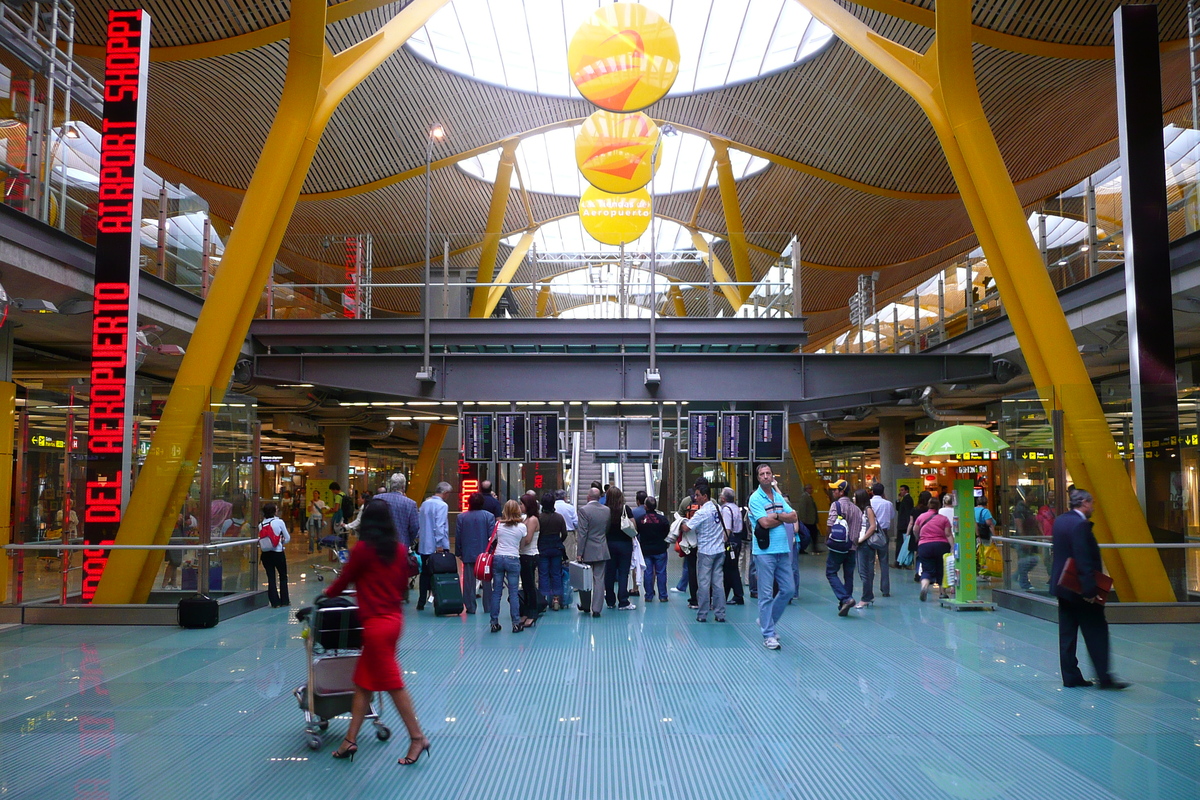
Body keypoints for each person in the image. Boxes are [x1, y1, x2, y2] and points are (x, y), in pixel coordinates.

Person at [323, 498, 431, 766]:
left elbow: (345, 579)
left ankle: (417, 737)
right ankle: (350, 739)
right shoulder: (398, 549)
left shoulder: (362, 550)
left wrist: (326, 596)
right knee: (363, 683)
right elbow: (401, 585)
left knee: (393, 683)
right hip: (393, 621)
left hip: (375, 626)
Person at [1049, 488, 1129, 690]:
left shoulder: (1060, 521)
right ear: (1084, 503)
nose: (1092, 507)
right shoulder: (1080, 525)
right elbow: (1083, 559)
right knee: (1097, 631)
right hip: (1080, 589)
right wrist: (1090, 592)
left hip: (1062, 586)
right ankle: (1104, 677)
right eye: (1091, 503)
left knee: (1067, 633)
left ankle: (1070, 676)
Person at [748, 464, 798, 650]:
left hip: (782, 550)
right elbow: (765, 523)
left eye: (768, 473)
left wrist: (777, 515)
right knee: (766, 594)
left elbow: (793, 516)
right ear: (758, 478)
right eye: (762, 474)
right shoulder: (755, 499)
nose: (766, 476)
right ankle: (769, 634)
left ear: (772, 476)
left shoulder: (777, 496)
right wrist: (780, 516)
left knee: (788, 589)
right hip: (764, 552)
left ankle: (765, 620)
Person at [683, 482, 726, 623]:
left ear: (705, 496)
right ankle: (720, 613)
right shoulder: (717, 508)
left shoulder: (702, 512)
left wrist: (680, 523)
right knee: (718, 583)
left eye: (697, 495)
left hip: (706, 551)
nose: (695, 498)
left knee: (703, 583)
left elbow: (687, 528)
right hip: (719, 550)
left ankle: (702, 614)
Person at [489, 500, 532, 633]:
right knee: (513, 592)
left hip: (498, 558)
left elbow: (491, 540)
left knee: (496, 592)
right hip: (513, 558)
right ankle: (515, 623)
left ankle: (494, 623)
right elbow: (524, 541)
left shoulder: (498, 525)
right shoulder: (521, 527)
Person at [454, 492, 495, 615]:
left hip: (468, 553)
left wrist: (459, 552)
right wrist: (491, 552)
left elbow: (458, 536)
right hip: (485, 555)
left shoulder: (461, 517)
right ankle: (488, 606)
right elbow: (492, 537)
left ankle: (470, 606)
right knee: (487, 581)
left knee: (468, 583)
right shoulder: (489, 516)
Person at [825, 480, 862, 616]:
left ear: (841, 492)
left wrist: (827, 538)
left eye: (835, 490)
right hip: (852, 547)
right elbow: (858, 529)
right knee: (849, 575)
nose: (833, 492)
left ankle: (846, 599)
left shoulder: (837, 505)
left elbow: (830, 523)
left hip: (838, 546)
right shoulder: (857, 509)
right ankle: (844, 603)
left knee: (831, 572)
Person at [414, 483, 451, 611]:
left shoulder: (425, 504)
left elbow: (419, 524)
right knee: (439, 574)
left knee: (424, 573)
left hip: (424, 545)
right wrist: (440, 544)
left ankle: (421, 601)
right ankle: (439, 600)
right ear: (445, 493)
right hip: (436, 546)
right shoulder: (442, 505)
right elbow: (439, 526)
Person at [576, 487, 611, 616]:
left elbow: (582, 533)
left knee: (584, 578)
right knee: (599, 579)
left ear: (588, 497)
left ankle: (585, 605)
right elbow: (606, 529)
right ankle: (597, 609)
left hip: (587, 549)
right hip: (601, 548)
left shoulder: (584, 510)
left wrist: (579, 552)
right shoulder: (607, 510)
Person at [602, 486, 637, 610]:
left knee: (609, 573)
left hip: (609, 544)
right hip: (624, 544)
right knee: (623, 573)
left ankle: (610, 601)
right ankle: (623, 601)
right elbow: (633, 526)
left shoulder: (604, 510)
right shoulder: (625, 509)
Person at [914, 496, 954, 601]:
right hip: (941, 545)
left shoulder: (921, 517)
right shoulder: (943, 519)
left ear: (928, 505)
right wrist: (953, 547)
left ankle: (924, 586)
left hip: (924, 545)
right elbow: (948, 534)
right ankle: (942, 592)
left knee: (927, 569)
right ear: (939, 506)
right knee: (941, 569)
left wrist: (919, 538)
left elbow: (915, 530)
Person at [859, 482, 892, 607]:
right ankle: (885, 589)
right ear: (883, 491)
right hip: (883, 534)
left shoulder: (869, 505)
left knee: (869, 563)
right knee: (884, 562)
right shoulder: (888, 504)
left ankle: (869, 590)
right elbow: (892, 516)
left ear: (872, 491)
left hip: (870, 535)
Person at [536, 492, 567, 611]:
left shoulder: (539, 518)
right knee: (556, 573)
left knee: (543, 573)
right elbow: (564, 533)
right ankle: (556, 599)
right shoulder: (559, 517)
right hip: (556, 547)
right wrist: (559, 541)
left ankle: (543, 598)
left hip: (543, 547)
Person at [257, 502, 291, 608]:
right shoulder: (279, 522)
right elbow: (288, 538)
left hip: (266, 554)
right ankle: (284, 600)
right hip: (278, 553)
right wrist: (281, 542)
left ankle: (274, 602)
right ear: (274, 511)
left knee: (271, 578)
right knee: (283, 576)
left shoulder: (260, 525)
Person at [675, 486, 703, 608]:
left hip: (690, 541)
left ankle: (694, 599)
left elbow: (680, 519)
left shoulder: (686, 502)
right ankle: (708, 598)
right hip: (706, 542)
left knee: (690, 567)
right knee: (707, 571)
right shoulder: (712, 504)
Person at [376, 473, 420, 552]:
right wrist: (408, 540)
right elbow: (415, 527)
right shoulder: (410, 504)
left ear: (390, 485)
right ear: (403, 487)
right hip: (401, 545)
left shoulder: (377, 499)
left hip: (380, 544)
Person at [637, 497, 670, 602]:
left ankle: (648, 595)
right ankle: (663, 595)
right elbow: (666, 532)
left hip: (646, 550)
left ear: (645, 506)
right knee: (661, 572)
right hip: (660, 549)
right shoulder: (663, 519)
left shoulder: (640, 520)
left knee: (648, 572)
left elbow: (637, 532)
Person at [719, 487, 745, 605]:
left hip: (730, 541)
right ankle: (728, 594)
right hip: (737, 540)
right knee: (731, 568)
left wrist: (722, 543)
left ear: (723, 498)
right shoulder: (735, 508)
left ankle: (738, 595)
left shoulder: (726, 510)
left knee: (730, 568)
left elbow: (727, 528)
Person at [518, 495, 541, 628]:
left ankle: (532, 613)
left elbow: (527, 539)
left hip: (530, 554)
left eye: (522, 504)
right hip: (524, 554)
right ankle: (526, 611)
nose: (520, 506)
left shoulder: (532, 520)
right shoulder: (525, 518)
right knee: (526, 585)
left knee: (530, 585)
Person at [903, 490, 933, 570]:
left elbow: (911, 523)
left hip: (916, 533)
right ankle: (927, 569)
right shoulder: (931, 511)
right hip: (929, 533)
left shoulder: (914, 510)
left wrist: (907, 533)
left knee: (918, 553)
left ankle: (918, 571)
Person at [794, 483, 820, 554]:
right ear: (806, 489)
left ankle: (814, 547)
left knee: (813, 534)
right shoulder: (804, 497)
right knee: (807, 535)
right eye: (810, 488)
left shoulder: (809, 497)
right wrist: (803, 520)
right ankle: (804, 548)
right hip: (807, 521)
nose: (811, 490)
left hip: (811, 521)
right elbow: (802, 509)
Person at [894, 484, 914, 567]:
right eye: (900, 490)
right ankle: (901, 561)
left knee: (901, 543)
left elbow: (907, 513)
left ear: (907, 490)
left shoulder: (907, 499)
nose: (901, 492)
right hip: (903, 525)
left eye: (902, 490)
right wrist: (898, 500)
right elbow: (899, 509)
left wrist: (907, 526)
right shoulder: (904, 499)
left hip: (904, 525)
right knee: (902, 543)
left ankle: (899, 562)